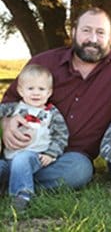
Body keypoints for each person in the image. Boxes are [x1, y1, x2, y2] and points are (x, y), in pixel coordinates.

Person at [0, 7, 111, 192]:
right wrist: (7, 123)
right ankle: (19, 178)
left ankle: (10, 178)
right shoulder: (43, 62)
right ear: (74, 32)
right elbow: (10, 100)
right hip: (26, 148)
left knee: (80, 171)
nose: (93, 39)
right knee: (21, 159)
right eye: (86, 30)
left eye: (100, 32)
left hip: (70, 158)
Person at [0, 64, 69, 210]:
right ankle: (4, 186)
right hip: (8, 158)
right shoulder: (14, 107)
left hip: (34, 157)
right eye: (30, 89)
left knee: (22, 158)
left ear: (49, 92)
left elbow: (61, 135)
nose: (36, 93)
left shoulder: (52, 113)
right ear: (20, 90)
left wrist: (51, 153)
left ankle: (22, 194)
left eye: (41, 89)